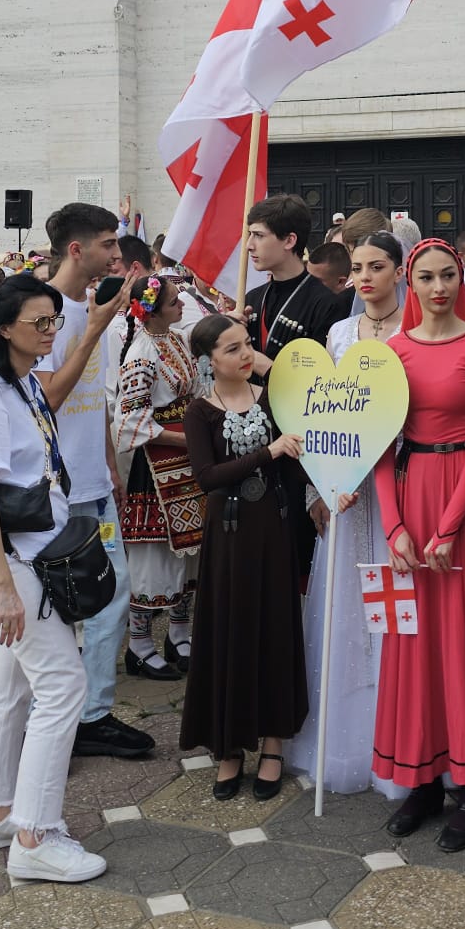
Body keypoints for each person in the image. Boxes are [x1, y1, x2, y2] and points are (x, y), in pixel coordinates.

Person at [0, 275, 108, 885]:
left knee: (11, 689)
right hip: (17, 563)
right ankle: (35, 834)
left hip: (36, 555)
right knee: (64, 686)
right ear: (4, 328)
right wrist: (4, 590)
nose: (50, 331)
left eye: (54, 321)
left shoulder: (21, 383)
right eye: (39, 323)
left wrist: (90, 328)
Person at [375, 238, 465, 847]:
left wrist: (451, 526)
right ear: (412, 283)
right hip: (410, 497)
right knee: (412, 641)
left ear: (463, 278)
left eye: (448, 276)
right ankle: (423, 780)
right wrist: (394, 525)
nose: (438, 287)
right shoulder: (391, 353)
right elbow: (377, 442)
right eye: (427, 277)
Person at [284, 231, 407, 803]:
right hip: (346, 494)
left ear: (398, 270)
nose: (364, 277)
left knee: (394, 606)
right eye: (357, 267)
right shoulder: (338, 333)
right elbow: (321, 411)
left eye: (376, 266)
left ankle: (399, 731)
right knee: (345, 605)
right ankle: (345, 732)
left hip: (399, 491)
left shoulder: (415, 328)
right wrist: (323, 483)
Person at [39, 203, 152, 759]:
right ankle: (44, 713)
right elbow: (45, 401)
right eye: (109, 243)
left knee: (111, 597)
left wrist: (109, 462)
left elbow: (97, 401)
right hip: (52, 491)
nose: (117, 253)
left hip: (94, 484)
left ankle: (94, 713)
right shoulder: (44, 312)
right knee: (52, 606)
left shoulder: (96, 307)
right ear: (77, 250)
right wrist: (94, 328)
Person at [180, 314, 308, 800]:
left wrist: (323, 493)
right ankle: (230, 746)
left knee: (274, 628)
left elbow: (294, 462)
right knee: (229, 631)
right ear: (209, 361)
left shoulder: (271, 398)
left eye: (247, 344)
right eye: (231, 349)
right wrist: (268, 454)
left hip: (274, 528)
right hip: (229, 534)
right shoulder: (200, 411)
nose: (245, 354)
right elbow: (207, 476)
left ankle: (273, 743)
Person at [113, 274, 203, 682]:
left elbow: (195, 392)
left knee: (190, 554)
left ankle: (180, 635)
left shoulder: (177, 340)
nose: (181, 305)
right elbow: (130, 422)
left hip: (188, 460)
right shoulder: (141, 352)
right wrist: (183, 439)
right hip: (158, 468)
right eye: (173, 302)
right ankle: (140, 644)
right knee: (155, 559)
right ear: (151, 310)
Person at [244, 195, 347, 375]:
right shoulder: (252, 298)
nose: (249, 245)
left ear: (290, 241)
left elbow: (320, 378)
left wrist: (260, 363)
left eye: (259, 235)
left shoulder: (326, 304)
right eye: (249, 234)